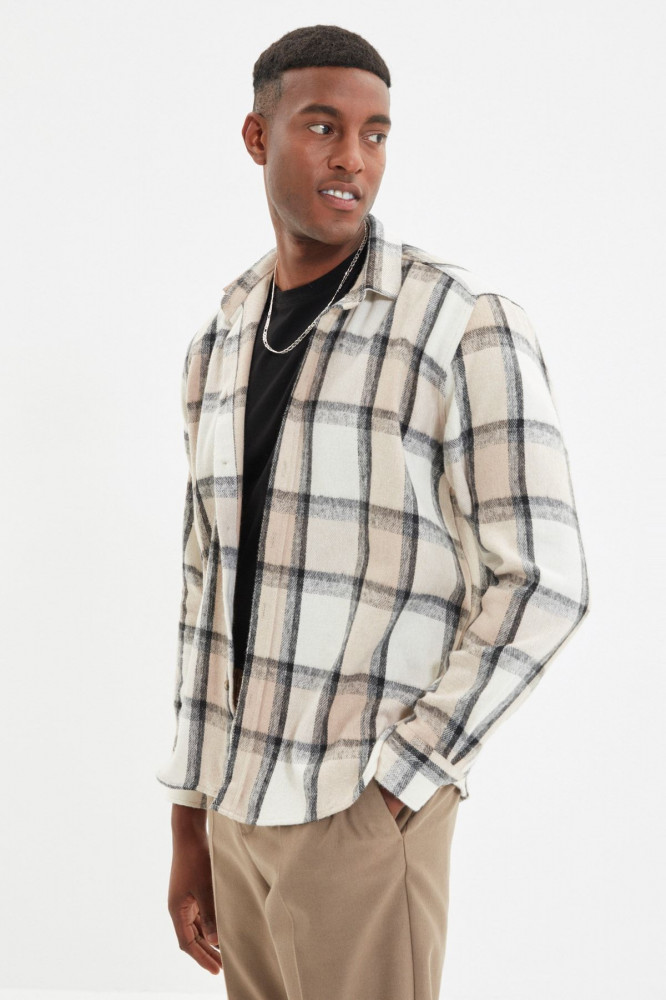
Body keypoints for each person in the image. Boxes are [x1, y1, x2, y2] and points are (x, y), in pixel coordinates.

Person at [157, 24, 591, 1000]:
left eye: (376, 133)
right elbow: (204, 585)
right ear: (258, 136)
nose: (353, 157)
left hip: (360, 803)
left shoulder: (459, 322)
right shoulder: (218, 343)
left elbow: (546, 581)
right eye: (323, 126)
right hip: (234, 810)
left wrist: (401, 780)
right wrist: (189, 818)